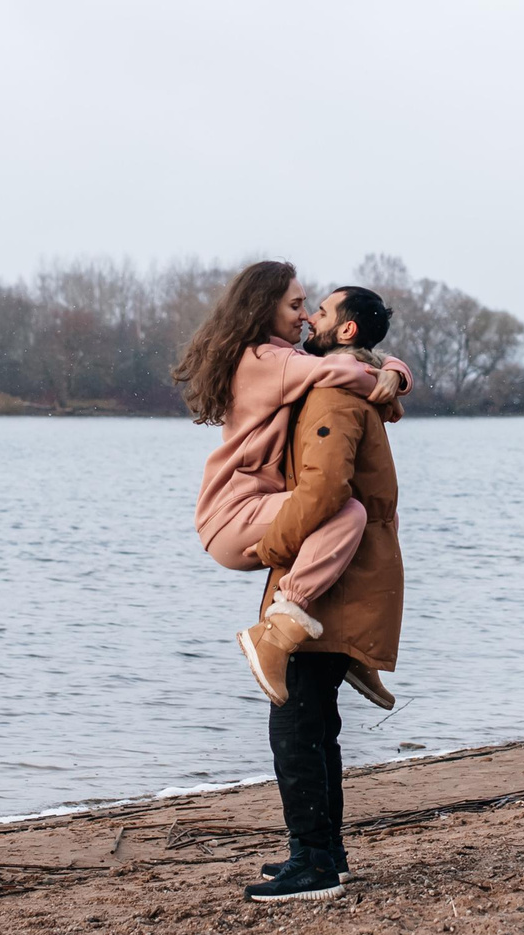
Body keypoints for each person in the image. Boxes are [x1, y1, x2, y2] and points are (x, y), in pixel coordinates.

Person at [240, 284, 407, 903]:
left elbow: (324, 490)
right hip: (351, 575)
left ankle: (313, 862)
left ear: (346, 331)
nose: (311, 317)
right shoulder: (354, 383)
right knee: (315, 722)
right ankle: (324, 853)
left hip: (333, 584)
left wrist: (270, 548)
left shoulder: (332, 394)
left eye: (323, 311)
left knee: (296, 723)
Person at [175, 262, 409, 697]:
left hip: (253, 508)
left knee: (378, 516)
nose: (304, 316)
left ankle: (352, 646)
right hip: (235, 514)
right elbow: (342, 370)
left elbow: (346, 363)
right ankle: (276, 632)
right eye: (296, 305)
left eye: (308, 307)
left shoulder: (284, 359)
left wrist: (395, 371)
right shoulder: (265, 359)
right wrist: (389, 378)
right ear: (265, 308)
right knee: (348, 512)